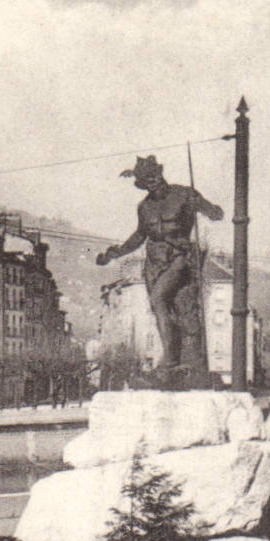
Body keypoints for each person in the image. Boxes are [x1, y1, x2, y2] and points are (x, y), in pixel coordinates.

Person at [96, 154, 225, 386]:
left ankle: (171, 360)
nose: (153, 180)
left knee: (158, 298)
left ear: (160, 173)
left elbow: (214, 213)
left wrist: (210, 209)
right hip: (154, 264)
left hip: (179, 258)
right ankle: (176, 364)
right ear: (142, 184)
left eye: (154, 175)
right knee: (165, 310)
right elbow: (139, 236)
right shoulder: (144, 207)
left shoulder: (184, 195)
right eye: (147, 179)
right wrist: (115, 253)